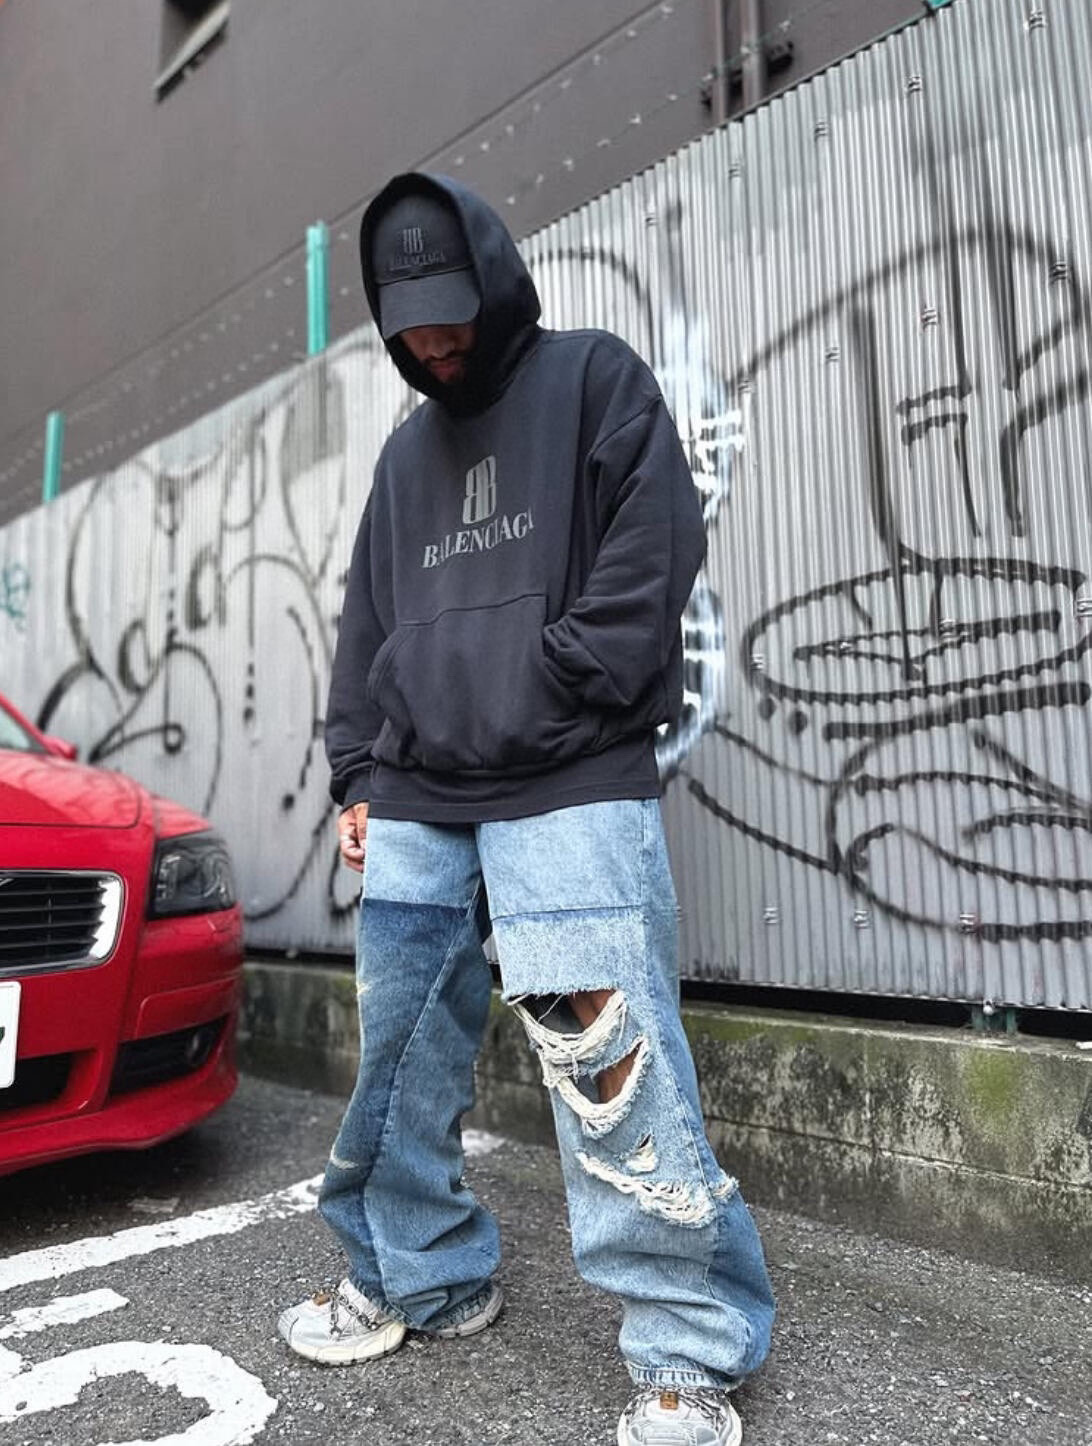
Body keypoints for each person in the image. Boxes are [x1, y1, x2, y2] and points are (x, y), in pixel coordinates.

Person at [277, 171, 775, 1446]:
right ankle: (421, 1278)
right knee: (398, 1058)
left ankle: (686, 1349)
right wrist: (357, 773)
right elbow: (366, 626)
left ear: (493, 280)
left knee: (608, 1062)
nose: (434, 343)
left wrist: (550, 679)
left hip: (568, 775)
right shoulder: (404, 457)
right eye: (409, 326)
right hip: (419, 794)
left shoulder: (593, 380)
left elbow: (654, 553)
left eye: (450, 312)